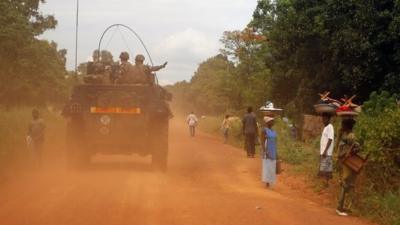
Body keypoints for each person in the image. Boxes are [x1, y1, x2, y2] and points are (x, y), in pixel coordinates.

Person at [336, 118, 360, 216]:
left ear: (346, 126)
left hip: (347, 162)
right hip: (345, 162)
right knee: (346, 183)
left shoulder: (350, 137)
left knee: (346, 183)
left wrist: (349, 152)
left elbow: (357, 147)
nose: (341, 126)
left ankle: (342, 206)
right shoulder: (347, 136)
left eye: (343, 125)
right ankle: (340, 207)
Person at [261, 116, 278, 188]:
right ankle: (267, 182)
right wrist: (265, 151)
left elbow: (275, 142)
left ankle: (270, 181)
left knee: (272, 167)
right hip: (267, 150)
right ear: (267, 122)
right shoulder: (264, 130)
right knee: (267, 167)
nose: (273, 122)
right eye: (271, 121)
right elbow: (262, 141)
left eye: (273, 121)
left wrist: (277, 152)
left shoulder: (273, 131)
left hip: (273, 150)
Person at [318, 113, 335, 186]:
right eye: (322, 119)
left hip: (327, 152)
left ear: (328, 119)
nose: (323, 120)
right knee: (326, 168)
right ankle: (326, 183)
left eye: (324, 119)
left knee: (325, 169)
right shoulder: (326, 127)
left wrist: (325, 151)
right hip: (324, 152)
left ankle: (325, 183)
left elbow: (330, 139)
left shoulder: (330, 127)